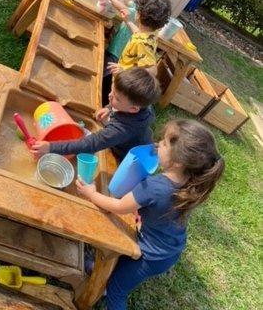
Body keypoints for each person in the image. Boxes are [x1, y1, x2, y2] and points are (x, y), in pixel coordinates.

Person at [76, 119, 225, 309]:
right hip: (170, 248)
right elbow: (159, 207)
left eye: (163, 143)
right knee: (120, 265)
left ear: (178, 162)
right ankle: (100, 268)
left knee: (117, 290)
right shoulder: (191, 184)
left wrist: (91, 193)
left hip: (151, 256)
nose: (157, 144)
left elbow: (119, 206)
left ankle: (108, 284)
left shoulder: (154, 187)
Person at [30, 67, 160, 161]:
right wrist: (110, 107)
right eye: (112, 91)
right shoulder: (143, 103)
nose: (109, 96)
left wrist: (50, 147)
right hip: (141, 140)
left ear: (133, 109)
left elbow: (89, 144)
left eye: (116, 98)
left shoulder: (120, 130)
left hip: (128, 157)